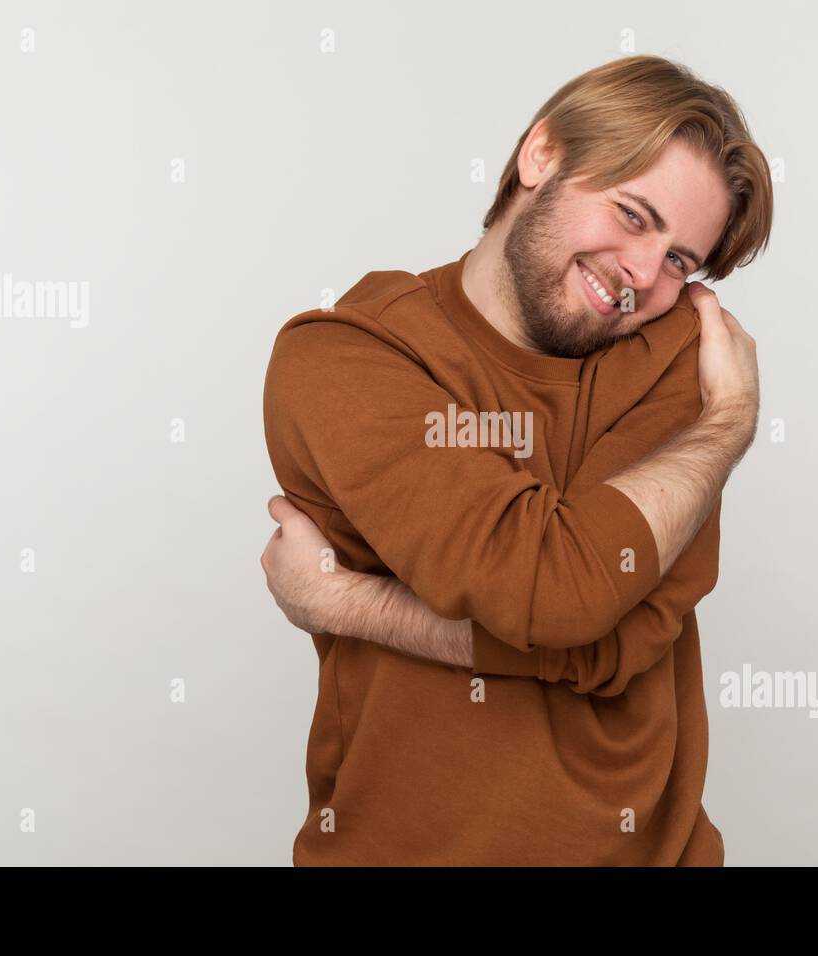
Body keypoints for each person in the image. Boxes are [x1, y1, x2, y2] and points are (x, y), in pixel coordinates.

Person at [261, 54, 772, 865]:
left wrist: (349, 603)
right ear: (542, 155)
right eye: (635, 215)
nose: (643, 275)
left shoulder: (682, 359)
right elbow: (563, 597)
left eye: (681, 259)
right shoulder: (347, 357)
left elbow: (593, 625)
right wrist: (574, 594)